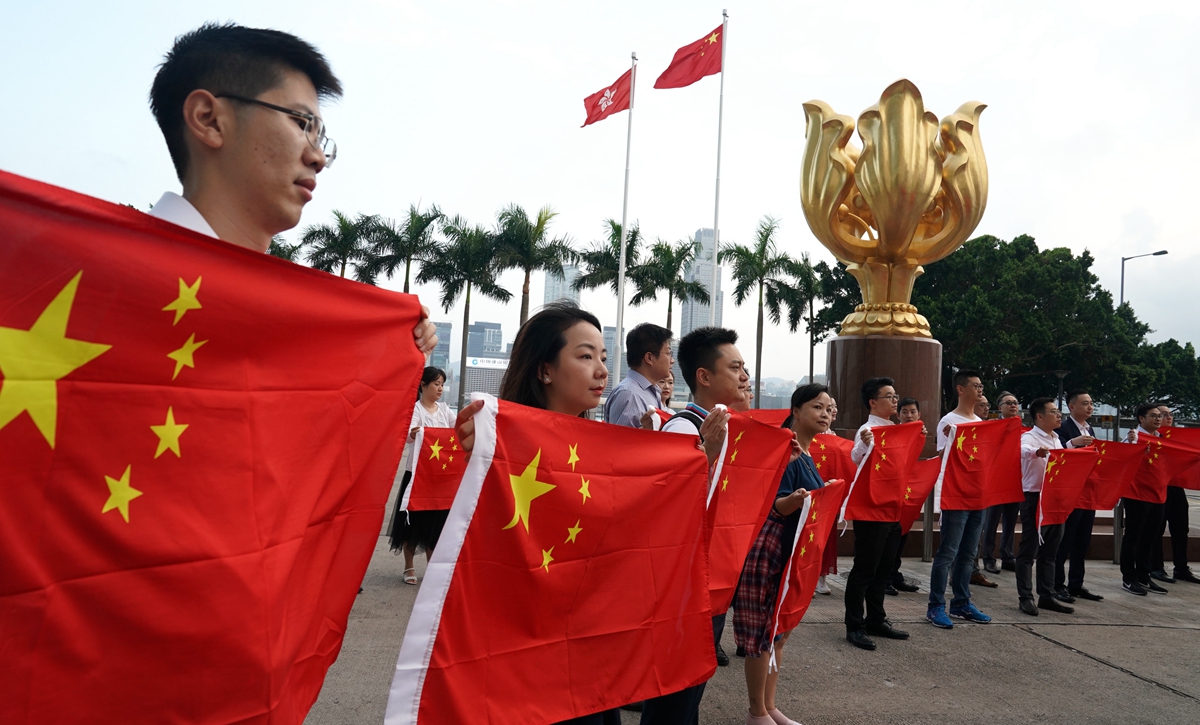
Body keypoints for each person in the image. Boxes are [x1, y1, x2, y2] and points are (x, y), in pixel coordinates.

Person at [147, 23, 437, 355]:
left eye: (321, 139)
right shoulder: (102, 286)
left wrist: (394, 353)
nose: (317, 158)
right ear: (209, 119)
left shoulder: (291, 326)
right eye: (301, 124)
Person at [454, 301, 620, 725]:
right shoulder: (498, 444)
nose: (602, 370)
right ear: (545, 370)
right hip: (525, 649)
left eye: (603, 357)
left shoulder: (612, 450)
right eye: (585, 356)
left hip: (590, 647)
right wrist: (481, 447)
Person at [735, 385, 828, 725]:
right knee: (763, 635)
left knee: (779, 632)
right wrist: (799, 501)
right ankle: (756, 711)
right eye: (817, 406)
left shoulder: (806, 453)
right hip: (770, 552)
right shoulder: (784, 449)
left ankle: (770, 705)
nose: (825, 414)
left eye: (829, 408)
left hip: (792, 555)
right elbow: (774, 503)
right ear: (796, 410)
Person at [654, 326, 737, 705]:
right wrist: (709, 455)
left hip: (713, 572)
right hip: (684, 580)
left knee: (694, 684)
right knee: (675, 689)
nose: (743, 376)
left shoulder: (724, 428)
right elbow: (665, 505)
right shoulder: (682, 428)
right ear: (703, 376)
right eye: (734, 368)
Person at [843, 378, 910, 651]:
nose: (895, 400)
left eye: (896, 396)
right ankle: (854, 626)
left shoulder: (896, 429)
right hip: (872, 511)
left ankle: (876, 619)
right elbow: (856, 457)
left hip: (893, 508)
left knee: (883, 569)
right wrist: (866, 445)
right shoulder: (867, 429)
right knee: (865, 569)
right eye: (889, 396)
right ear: (873, 402)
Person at [926, 369, 993, 629]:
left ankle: (962, 603)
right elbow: (944, 458)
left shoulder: (981, 422)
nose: (980, 389)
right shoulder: (949, 422)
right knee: (948, 553)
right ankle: (935, 606)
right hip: (957, 495)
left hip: (979, 495)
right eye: (975, 385)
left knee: (968, 554)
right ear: (960, 389)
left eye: (981, 385)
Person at [388, 367, 455, 584]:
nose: (440, 389)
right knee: (412, 523)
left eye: (442, 385)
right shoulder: (415, 410)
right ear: (423, 385)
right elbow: (406, 436)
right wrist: (414, 433)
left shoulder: (445, 411)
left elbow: (458, 430)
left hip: (438, 478)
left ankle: (433, 569)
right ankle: (409, 568)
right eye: (436, 384)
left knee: (435, 524)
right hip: (417, 475)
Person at [1016, 398, 1076, 616]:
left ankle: (1047, 595)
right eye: (1053, 411)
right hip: (1034, 498)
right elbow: (1023, 451)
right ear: (1040, 416)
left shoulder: (1057, 438)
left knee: (1050, 550)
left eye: (1058, 411)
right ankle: (1025, 597)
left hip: (1055, 499)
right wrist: (1037, 453)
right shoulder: (1029, 438)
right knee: (1029, 549)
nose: (1059, 415)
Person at [1054, 390, 1104, 601]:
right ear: (1071, 407)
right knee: (1065, 540)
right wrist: (1073, 443)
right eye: (1085, 403)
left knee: (1082, 541)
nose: (1089, 407)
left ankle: (1076, 583)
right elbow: (1056, 454)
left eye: (1091, 403)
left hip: (1087, 492)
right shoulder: (1063, 428)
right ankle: (1057, 585)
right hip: (1069, 492)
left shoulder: (1090, 428)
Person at [1119, 403, 1169, 596]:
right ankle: (1129, 578)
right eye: (1153, 416)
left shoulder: (1162, 439)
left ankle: (1144, 575)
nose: (1158, 419)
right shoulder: (1133, 437)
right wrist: (1133, 446)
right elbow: (1123, 458)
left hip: (1157, 494)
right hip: (1137, 494)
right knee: (1134, 536)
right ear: (1141, 418)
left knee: (1151, 537)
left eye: (1160, 416)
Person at [1150, 405, 1200, 584]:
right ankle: (1156, 567)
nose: (1167, 418)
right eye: (1163, 415)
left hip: (1176, 486)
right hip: (1159, 487)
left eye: (1170, 415)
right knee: (1157, 528)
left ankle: (1181, 568)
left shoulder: (1177, 438)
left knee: (1181, 528)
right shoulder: (1151, 437)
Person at [979, 392, 1022, 578]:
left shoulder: (1024, 430)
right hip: (995, 481)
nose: (1013, 406)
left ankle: (1007, 556)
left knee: (1010, 522)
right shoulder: (992, 426)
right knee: (991, 522)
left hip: (1015, 480)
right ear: (1000, 408)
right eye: (1008, 403)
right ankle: (988, 558)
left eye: (1015, 403)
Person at [884, 397, 924, 595]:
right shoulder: (892, 433)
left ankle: (894, 574)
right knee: (890, 536)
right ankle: (885, 578)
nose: (909, 415)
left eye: (913, 412)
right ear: (898, 415)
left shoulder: (919, 434)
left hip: (909, 489)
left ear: (919, 415)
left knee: (903, 530)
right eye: (905, 412)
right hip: (891, 490)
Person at [604, 323, 673, 428]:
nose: (672, 360)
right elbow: (619, 442)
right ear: (649, 358)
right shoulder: (629, 394)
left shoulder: (652, 391)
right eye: (668, 353)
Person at [815, 397, 840, 597]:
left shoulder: (836, 439)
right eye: (821, 407)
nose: (829, 412)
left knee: (826, 537)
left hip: (829, 495)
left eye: (831, 408)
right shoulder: (805, 434)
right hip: (808, 492)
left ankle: (821, 576)